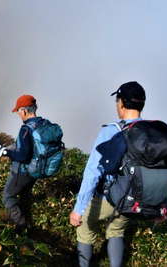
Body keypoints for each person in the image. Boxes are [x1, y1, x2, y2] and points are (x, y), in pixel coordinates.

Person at [69, 81, 147, 267]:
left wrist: (78, 209)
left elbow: (93, 171)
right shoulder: (150, 131)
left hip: (108, 197)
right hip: (135, 197)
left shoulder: (111, 131)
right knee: (116, 231)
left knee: (85, 231)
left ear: (121, 103)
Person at [0, 95, 42, 231]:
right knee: (25, 197)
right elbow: (28, 147)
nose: (18, 114)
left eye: (18, 111)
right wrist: (8, 148)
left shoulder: (26, 129)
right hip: (36, 170)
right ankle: (30, 226)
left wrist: (4, 152)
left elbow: (23, 155)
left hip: (23, 171)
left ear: (24, 111)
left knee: (8, 196)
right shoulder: (42, 124)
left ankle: (21, 226)